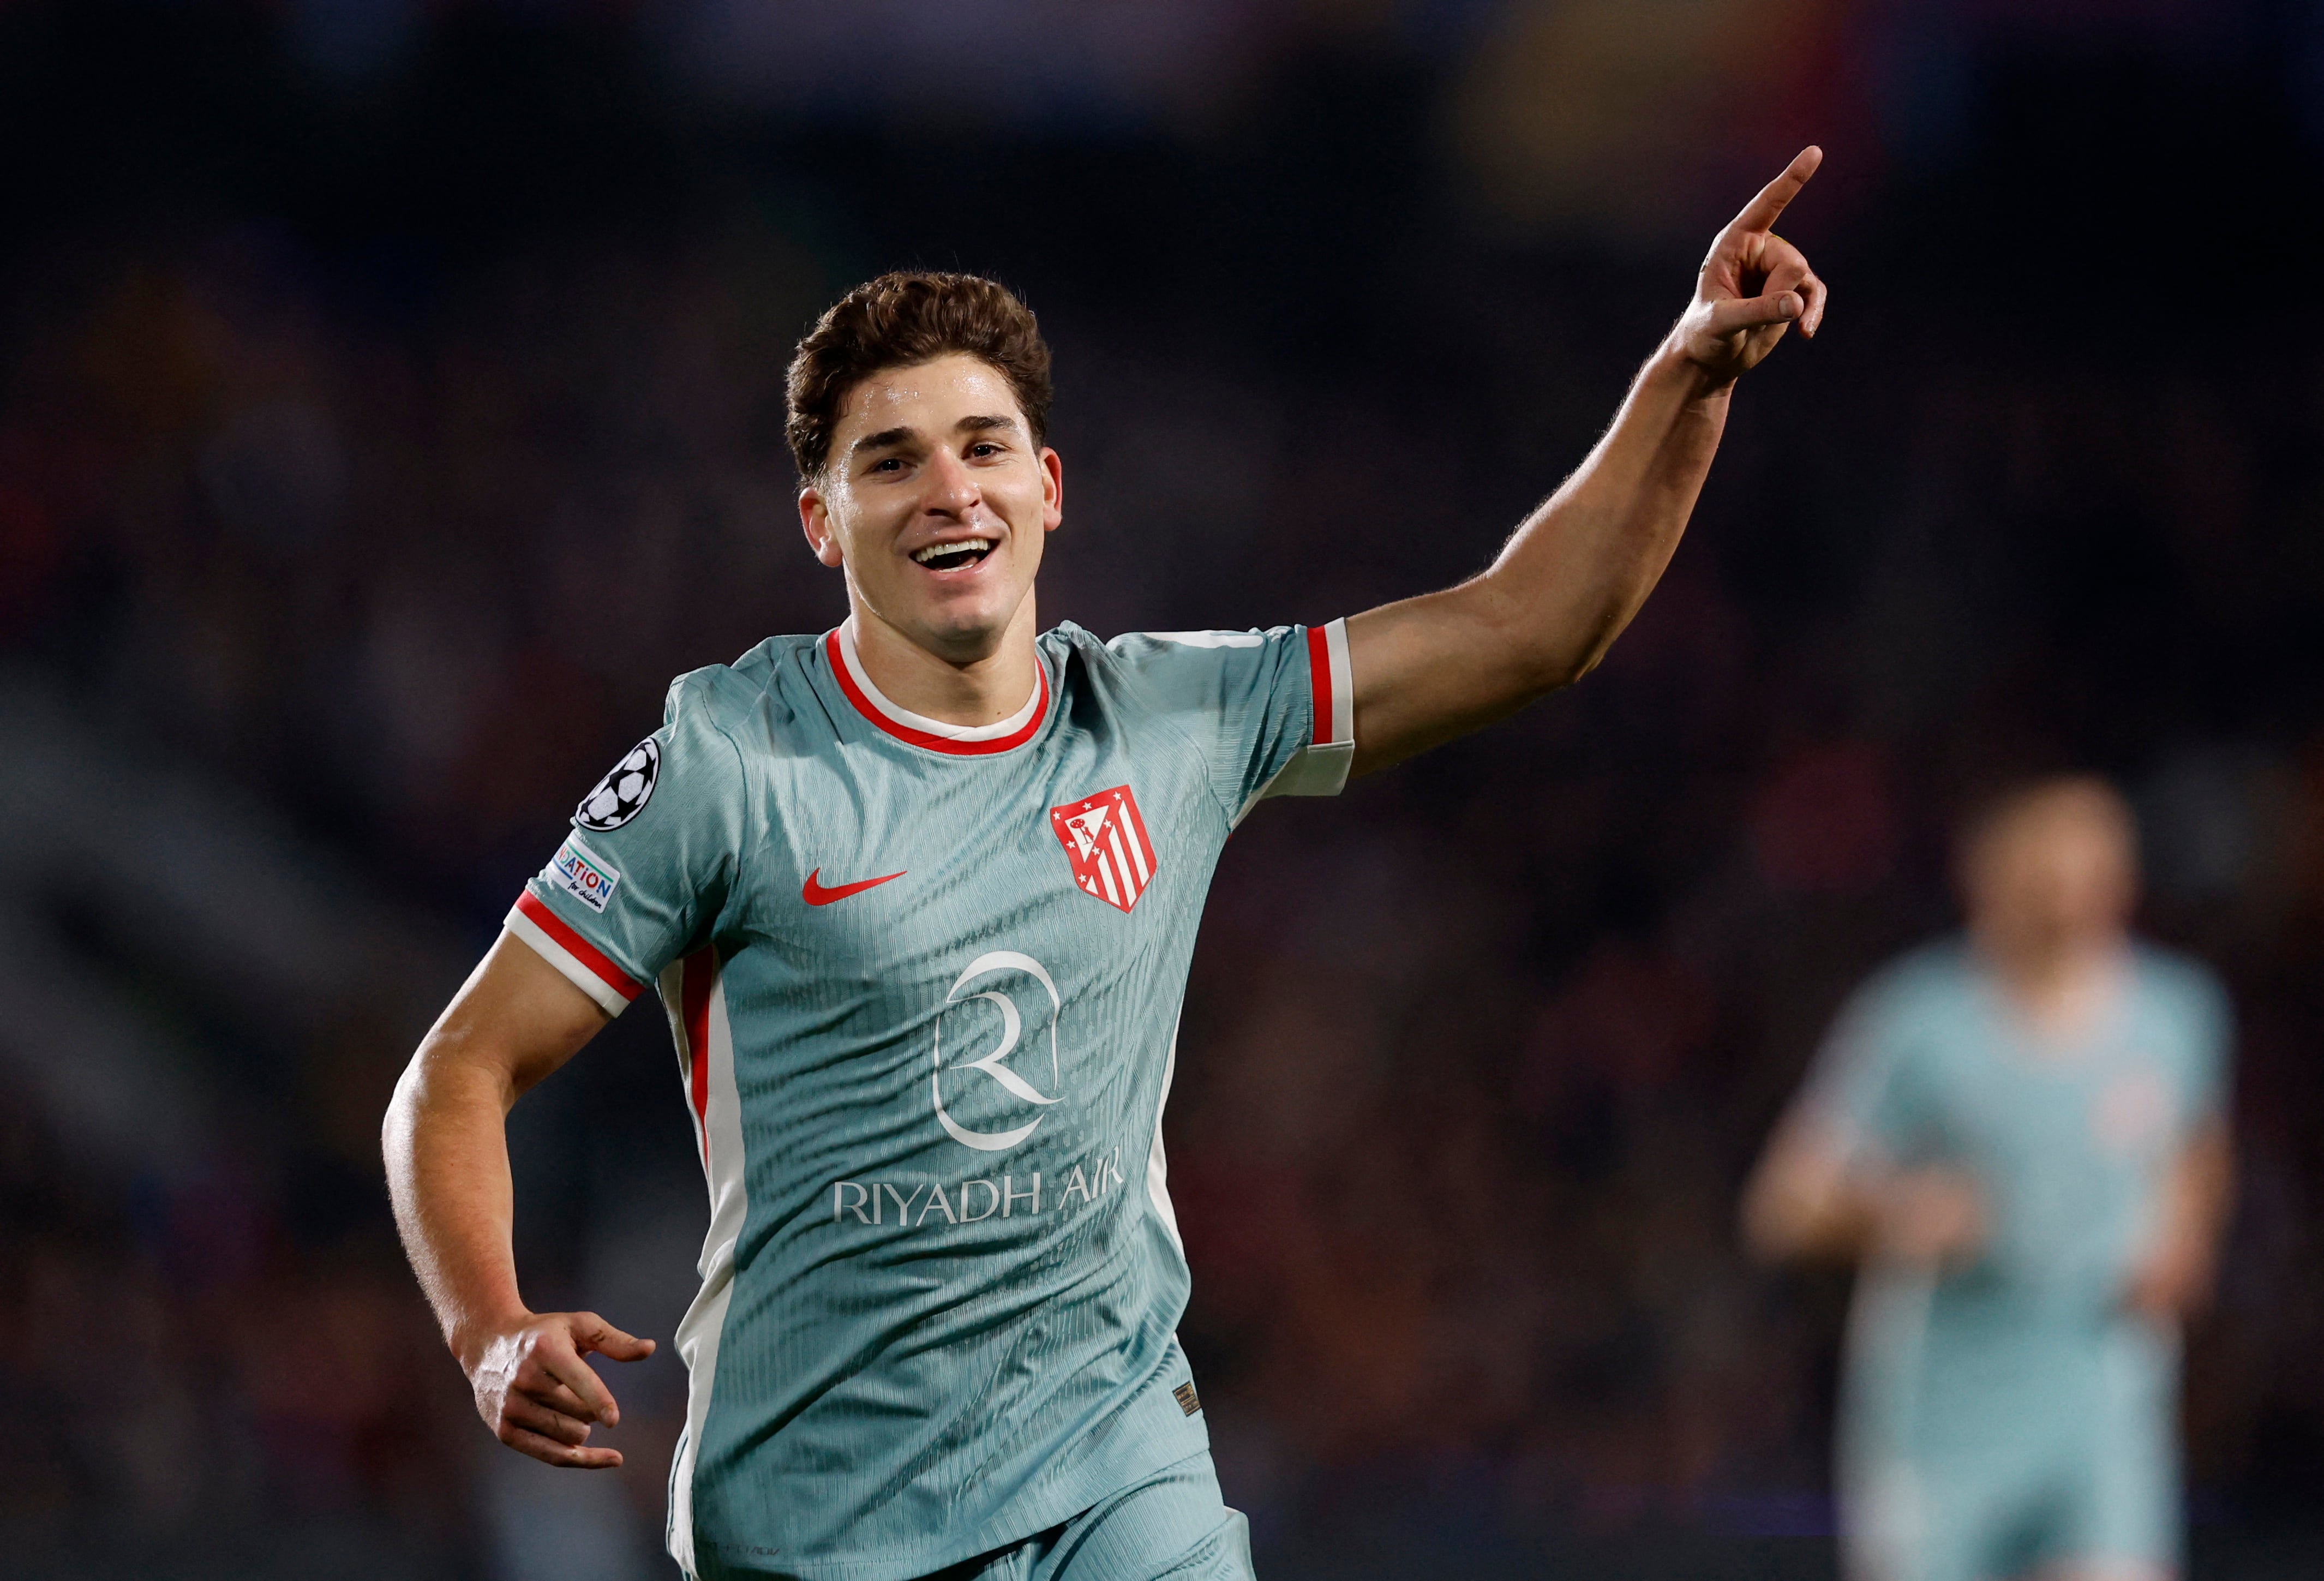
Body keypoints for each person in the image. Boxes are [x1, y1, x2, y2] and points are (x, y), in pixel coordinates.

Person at [382, 148, 1830, 1581]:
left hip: (1116, 1469)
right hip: (825, 1512)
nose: (949, 489)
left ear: (1049, 485)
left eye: (983, 444)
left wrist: (1691, 369)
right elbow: (454, 1073)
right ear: (821, 521)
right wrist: (488, 1327)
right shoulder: (726, 761)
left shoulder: (1172, 717)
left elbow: (1530, 629)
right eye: (890, 460)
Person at [1743, 777, 2235, 1581]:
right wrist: (1896, 1210)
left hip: (2103, 1408)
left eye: (2097, 881)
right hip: (1942, 1419)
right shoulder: (1916, 1022)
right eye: (2051, 884)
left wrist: (2187, 1236)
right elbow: (1782, 1205)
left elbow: (2196, 1151)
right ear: (1993, 884)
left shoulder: (2177, 1013)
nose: (2075, 907)